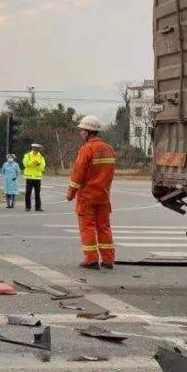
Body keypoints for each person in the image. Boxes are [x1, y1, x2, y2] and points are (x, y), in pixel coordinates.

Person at [65, 115, 116, 270]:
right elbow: (110, 173)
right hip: (103, 195)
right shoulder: (109, 149)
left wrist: (71, 193)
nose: (81, 133)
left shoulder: (86, 149)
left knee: (87, 227)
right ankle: (108, 260)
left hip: (87, 196)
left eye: (82, 130)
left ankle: (91, 260)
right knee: (104, 227)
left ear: (88, 132)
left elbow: (78, 173)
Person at [22, 142, 46, 211]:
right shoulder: (27, 155)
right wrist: (33, 163)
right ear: (32, 148)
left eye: (38, 149)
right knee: (28, 193)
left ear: (39, 149)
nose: (36, 150)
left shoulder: (41, 157)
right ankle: (27, 207)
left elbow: (42, 167)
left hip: (37, 177)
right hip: (29, 177)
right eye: (35, 148)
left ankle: (38, 207)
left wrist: (38, 165)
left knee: (37, 193)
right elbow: (25, 164)